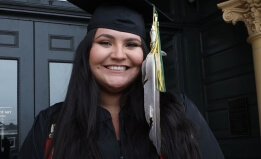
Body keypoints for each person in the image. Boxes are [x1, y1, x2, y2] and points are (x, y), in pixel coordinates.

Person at [18, 0, 225, 159]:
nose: (118, 54)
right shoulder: (51, 124)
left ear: (145, 55)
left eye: (131, 45)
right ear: (87, 52)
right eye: (105, 42)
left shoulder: (178, 111)